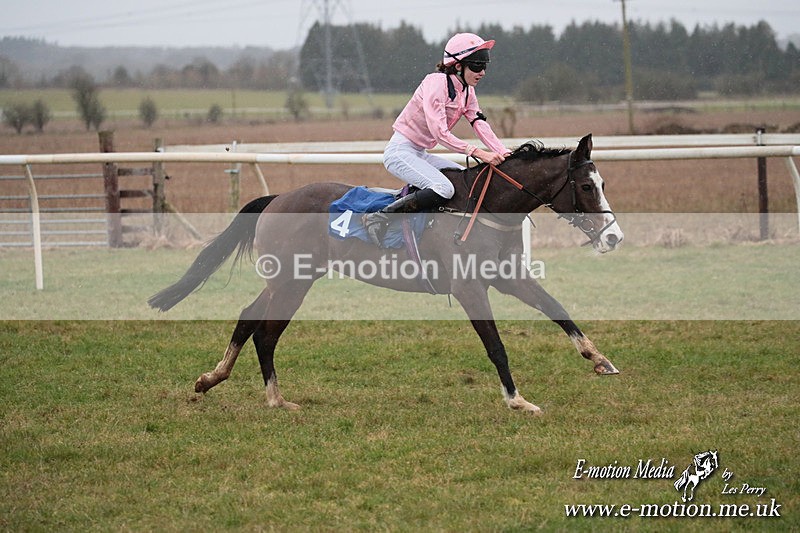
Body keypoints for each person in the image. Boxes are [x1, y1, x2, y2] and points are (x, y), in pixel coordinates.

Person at [362, 32, 511, 247]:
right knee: (445, 188)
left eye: (485, 65)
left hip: (421, 153)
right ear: (458, 65)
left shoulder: (468, 91)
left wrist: (504, 153)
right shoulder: (436, 83)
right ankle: (379, 217)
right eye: (477, 66)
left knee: (464, 180)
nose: (483, 72)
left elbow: (479, 123)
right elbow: (440, 133)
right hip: (400, 152)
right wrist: (479, 153)